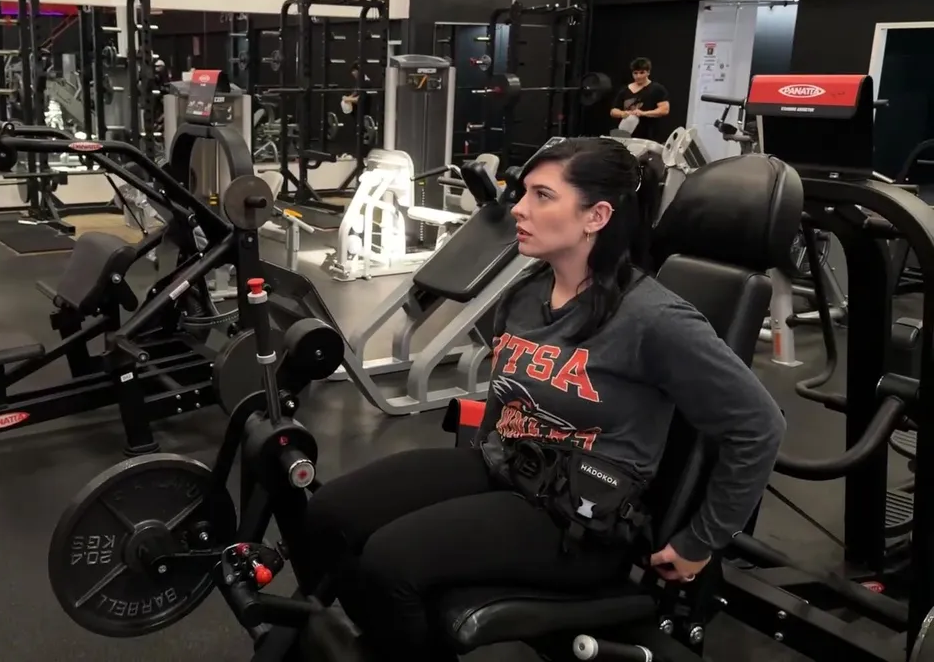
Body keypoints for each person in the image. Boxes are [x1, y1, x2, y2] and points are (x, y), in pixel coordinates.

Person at [301, 137, 786, 661]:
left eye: (542, 196)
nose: (519, 208)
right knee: (330, 513)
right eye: (524, 192)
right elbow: (503, 398)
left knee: (390, 563)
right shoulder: (527, 294)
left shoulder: (656, 319)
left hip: (578, 519)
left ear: (596, 216)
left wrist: (701, 541)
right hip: (507, 468)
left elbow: (759, 426)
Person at [610, 57, 670, 141]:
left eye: (642, 73)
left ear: (648, 72)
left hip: (647, 137)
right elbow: (613, 111)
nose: (638, 76)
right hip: (626, 136)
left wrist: (643, 113)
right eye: (635, 73)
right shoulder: (624, 90)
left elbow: (664, 110)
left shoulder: (657, 89)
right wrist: (623, 113)